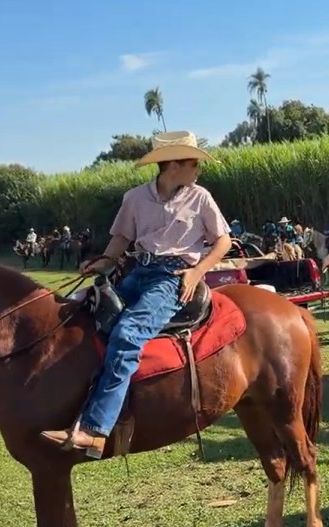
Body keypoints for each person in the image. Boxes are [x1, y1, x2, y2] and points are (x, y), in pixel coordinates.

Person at [40, 131, 232, 457]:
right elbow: (121, 239)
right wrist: (102, 262)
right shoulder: (135, 198)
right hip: (137, 272)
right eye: (193, 163)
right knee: (81, 312)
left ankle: (96, 430)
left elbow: (223, 241)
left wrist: (197, 272)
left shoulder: (200, 197)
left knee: (128, 333)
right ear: (172, 164)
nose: (198, 169)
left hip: (173, 278)